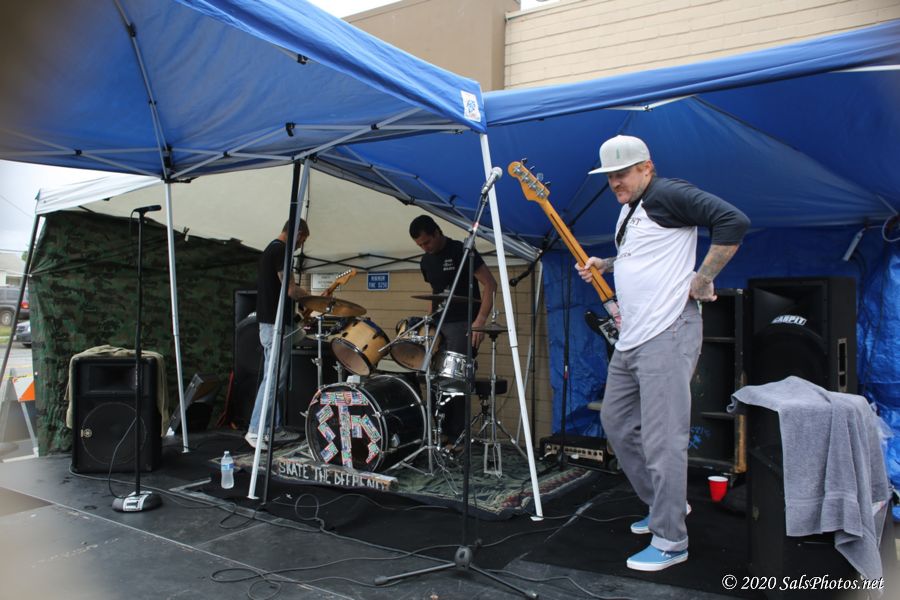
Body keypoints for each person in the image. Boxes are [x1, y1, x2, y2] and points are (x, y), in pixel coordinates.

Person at [576, 135, 749, 572]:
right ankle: (663, 506)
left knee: (662, 438)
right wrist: (606, 264)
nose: (615, 182)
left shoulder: (668, 193)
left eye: (623, 173)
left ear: (647, 167)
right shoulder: (630, 207)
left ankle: (672, 539)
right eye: (610, 176)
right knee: (616, 422)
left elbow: (733, 221)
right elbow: (641, 253)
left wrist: (702, 278)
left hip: (667, 331)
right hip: (633, 336)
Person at [409, 215, 497, 445]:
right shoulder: (425, 261)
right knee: (433, 378)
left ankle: (458, 438)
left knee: (455, 380)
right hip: (439, 325)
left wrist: (480, 320)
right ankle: (439, 433)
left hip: (463, 323)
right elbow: (436, 294)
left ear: (437, 232)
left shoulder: (462, 251)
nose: (425, 248)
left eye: (427, 242)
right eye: (420, 245)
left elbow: (490, 284)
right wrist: (428, 324)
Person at [245, 219, 310, 449]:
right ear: (298, 233)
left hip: (276, 324)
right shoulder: (281, 250)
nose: (300, 246)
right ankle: (255, 430)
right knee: (272, 380)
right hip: (274, 326)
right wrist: (313, 298)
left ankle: (274, 428)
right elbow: (290, 289)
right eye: (302, 240)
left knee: (278, 380)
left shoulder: (272, 249)